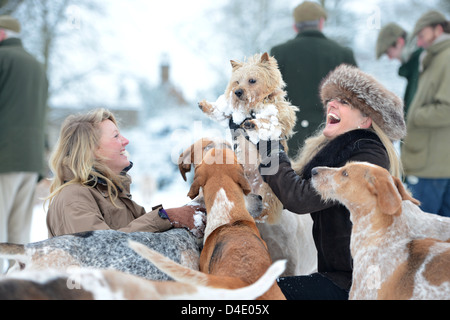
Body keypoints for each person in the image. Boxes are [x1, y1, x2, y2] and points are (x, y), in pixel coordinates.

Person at [254, 64, 405, 299]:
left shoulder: (367, 158)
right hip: (340, 277)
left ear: (366, 119)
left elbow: (299, 197)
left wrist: (268, 144)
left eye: (343, 102)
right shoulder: (340, 152)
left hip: (359, 285)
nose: (330, 105)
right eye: (330, 100)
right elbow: (289, 184)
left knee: (259, 295)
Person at [46, 108, 204, 238]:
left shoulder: (113, 193)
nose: (125, 140)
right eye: (116, 136)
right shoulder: (74, 198)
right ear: (91, 150)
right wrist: (166, 217)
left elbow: (143, 236)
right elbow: (99, 251)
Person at [270, 1, 357, 157]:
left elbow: (267, 100)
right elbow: (357, 102)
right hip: (331, 141)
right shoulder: (343, 55)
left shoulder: (279, 54)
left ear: (295, 26)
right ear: (321, 23)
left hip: (290, 143)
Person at [0, 16, 48, 272]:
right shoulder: (37, 66)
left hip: (3, 157)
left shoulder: (2, 59)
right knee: (19, 230)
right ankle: (16, 282)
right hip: (30, 159)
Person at [401, 10, 450, 217]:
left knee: (422, 233)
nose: (419, 42)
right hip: (432, 162)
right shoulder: (435, 57)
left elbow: (446, 109)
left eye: (422, 36)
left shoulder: (446, 57)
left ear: (438, 29)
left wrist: (414, 116)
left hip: (431, 166)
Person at [376, 23, 423, 115]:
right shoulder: (415, 63)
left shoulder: (420, 62)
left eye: (388, 52)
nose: (390, 58)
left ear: (400, 42)